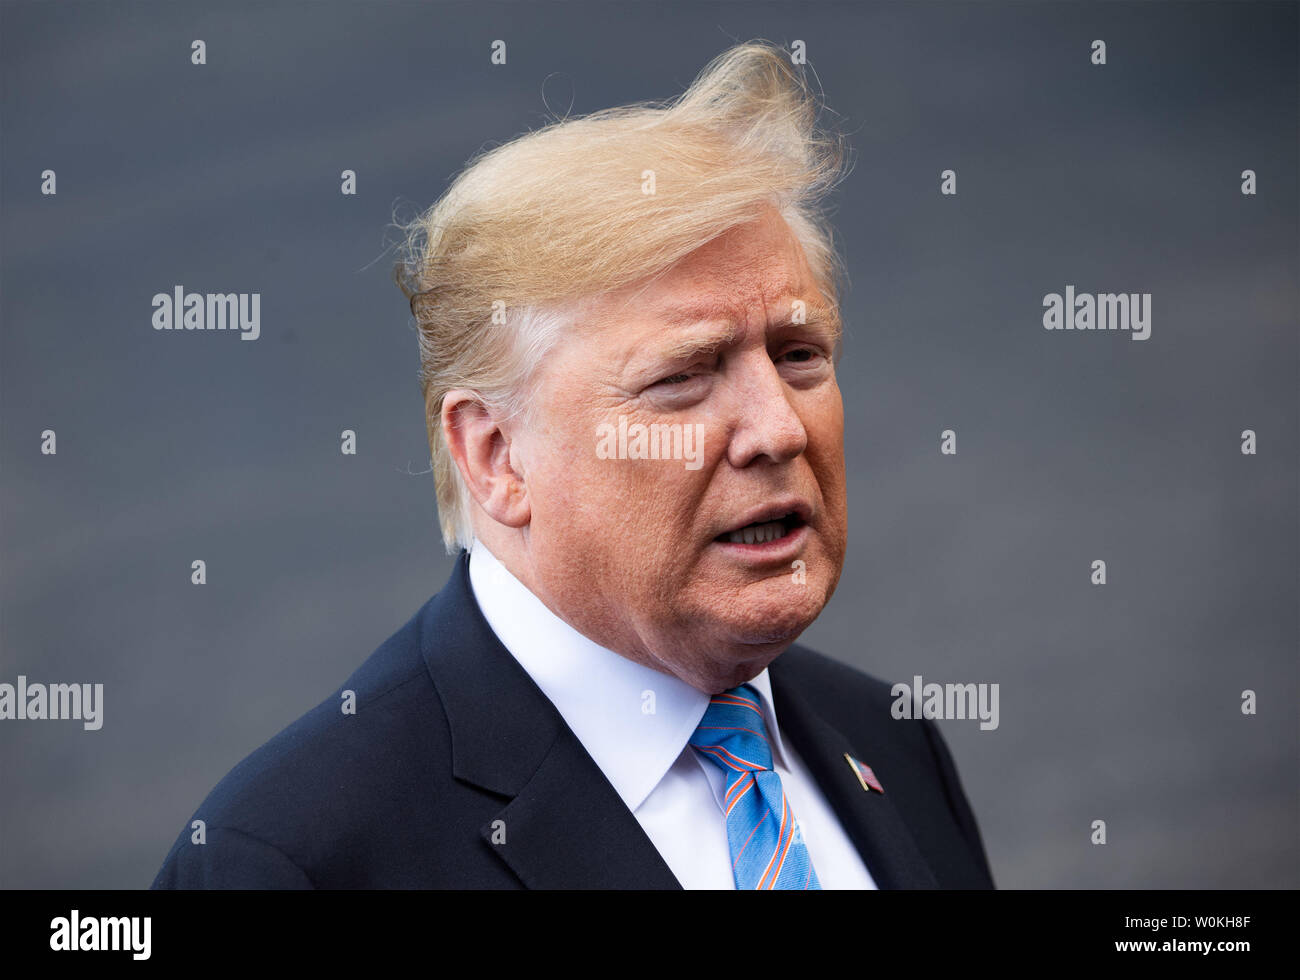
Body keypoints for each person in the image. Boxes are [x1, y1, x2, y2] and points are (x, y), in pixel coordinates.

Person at [152, 41, 994, 890]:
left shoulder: (890, 743)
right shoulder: (287, 862)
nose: (776, 429)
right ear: (497, 457)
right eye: (683, 378)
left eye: (799, 354)